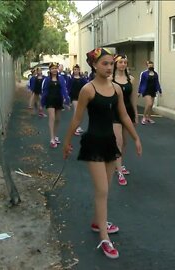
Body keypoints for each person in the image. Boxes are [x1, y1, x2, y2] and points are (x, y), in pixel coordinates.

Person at [62, 48, 142, 259]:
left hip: (110, 143)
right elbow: (77, 119)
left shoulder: (116, 89)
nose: (109, 67)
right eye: (104, 64)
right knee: (102, 190)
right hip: (93, 143)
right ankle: (104, 237)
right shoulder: (88, 89)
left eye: (110, 64)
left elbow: (124, 116)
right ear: (94, 65)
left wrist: (135, 137)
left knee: (106, 188)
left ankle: (98, 221)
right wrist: (67, 142)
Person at [111, 54, 138, 185]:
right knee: (118, 141)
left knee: (125, 141)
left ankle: (118, 164)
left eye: (125, 62)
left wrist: (136, 114)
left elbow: (133, 98)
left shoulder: (131, 79)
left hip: (127, 112)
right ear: (115, 63)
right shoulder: (110, 79)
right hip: (114, 112)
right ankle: (119, 171)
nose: (123, 64)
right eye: (120, 62)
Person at [41, 62, 71, 148]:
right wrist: (42, 104)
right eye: (52, 68)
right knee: (52, 118)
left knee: (57, 119)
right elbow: (45, 91)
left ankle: (55, 135)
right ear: (50, 70)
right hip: (50, 100)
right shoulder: (47, 79)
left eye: (55, 68)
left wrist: (67, 102)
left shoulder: (61, 79)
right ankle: (52, 138)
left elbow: (64, 90)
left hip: (58, 100)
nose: (54, 70)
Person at [138, 60, 162, 124]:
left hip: (153, 90)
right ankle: (144, 117)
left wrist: (159, 90)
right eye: (149, 65)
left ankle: (149, 118)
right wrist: (139, 91)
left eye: (152, 65)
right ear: (147, 66)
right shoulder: (144, 73)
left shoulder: (155, 74)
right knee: (149, 104)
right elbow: (141, 82)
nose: (151, 66)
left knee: (151, 105)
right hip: (146, 90)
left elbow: (157, 82)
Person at [67, 64, 88, 135]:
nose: (76, 71)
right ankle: (74, 128)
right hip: (74, 97)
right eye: (74, 69)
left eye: (77, 69)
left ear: (79, 70)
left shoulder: (82, 78)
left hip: (81, 97)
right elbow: (68, 87)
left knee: (81, 112)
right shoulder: (70, 78)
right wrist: (67, 97)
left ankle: (78, 126)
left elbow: (87, 85)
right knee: (76, 111)